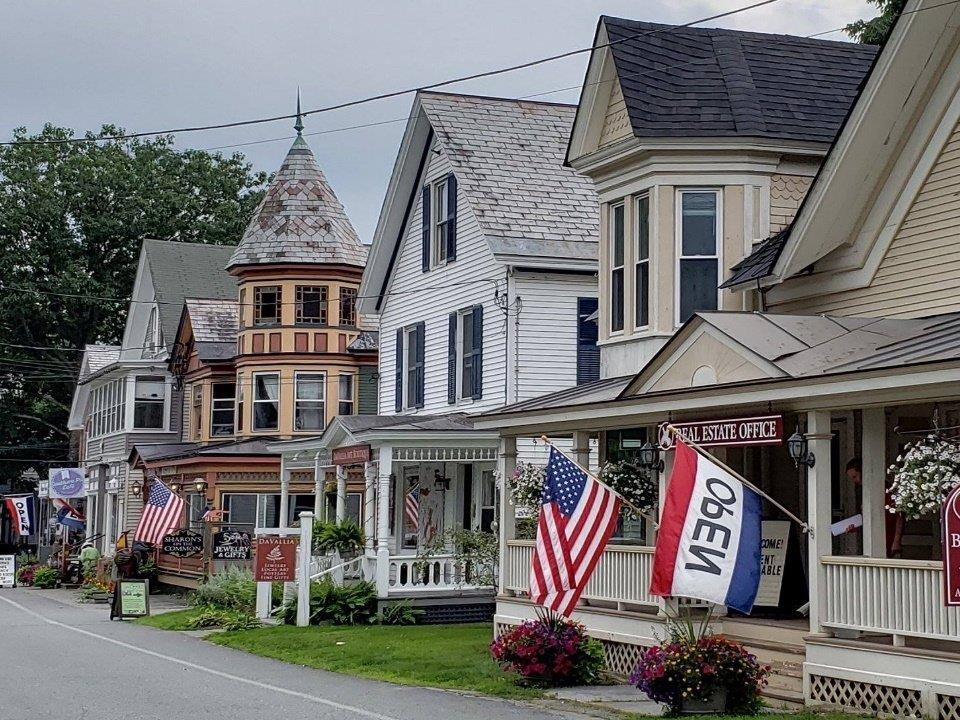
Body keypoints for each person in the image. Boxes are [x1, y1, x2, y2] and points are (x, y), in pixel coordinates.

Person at [845, 457, 904, 558]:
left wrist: (896, 541)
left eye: (855, 477)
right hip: (873, 542)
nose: (854, 481)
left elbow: (900, 515)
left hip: (889, 540)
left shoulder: (886, 490)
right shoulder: (865, 492)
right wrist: (855, 526)